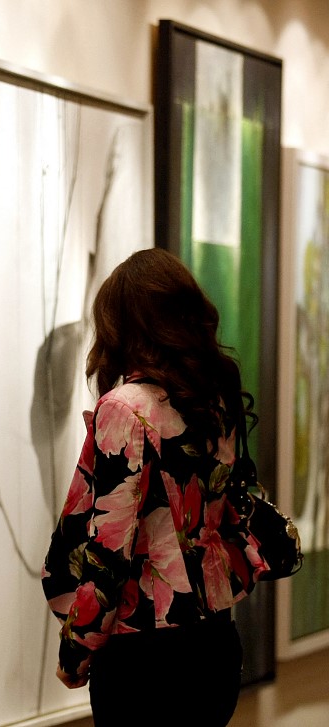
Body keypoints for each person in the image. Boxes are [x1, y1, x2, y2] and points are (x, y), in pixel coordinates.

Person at [41, 248, 269, 726]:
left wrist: (75, 648)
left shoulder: (125, 408)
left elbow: (109, 550)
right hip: (215, 643)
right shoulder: (214, 403)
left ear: (122, 327)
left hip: (146, 657)